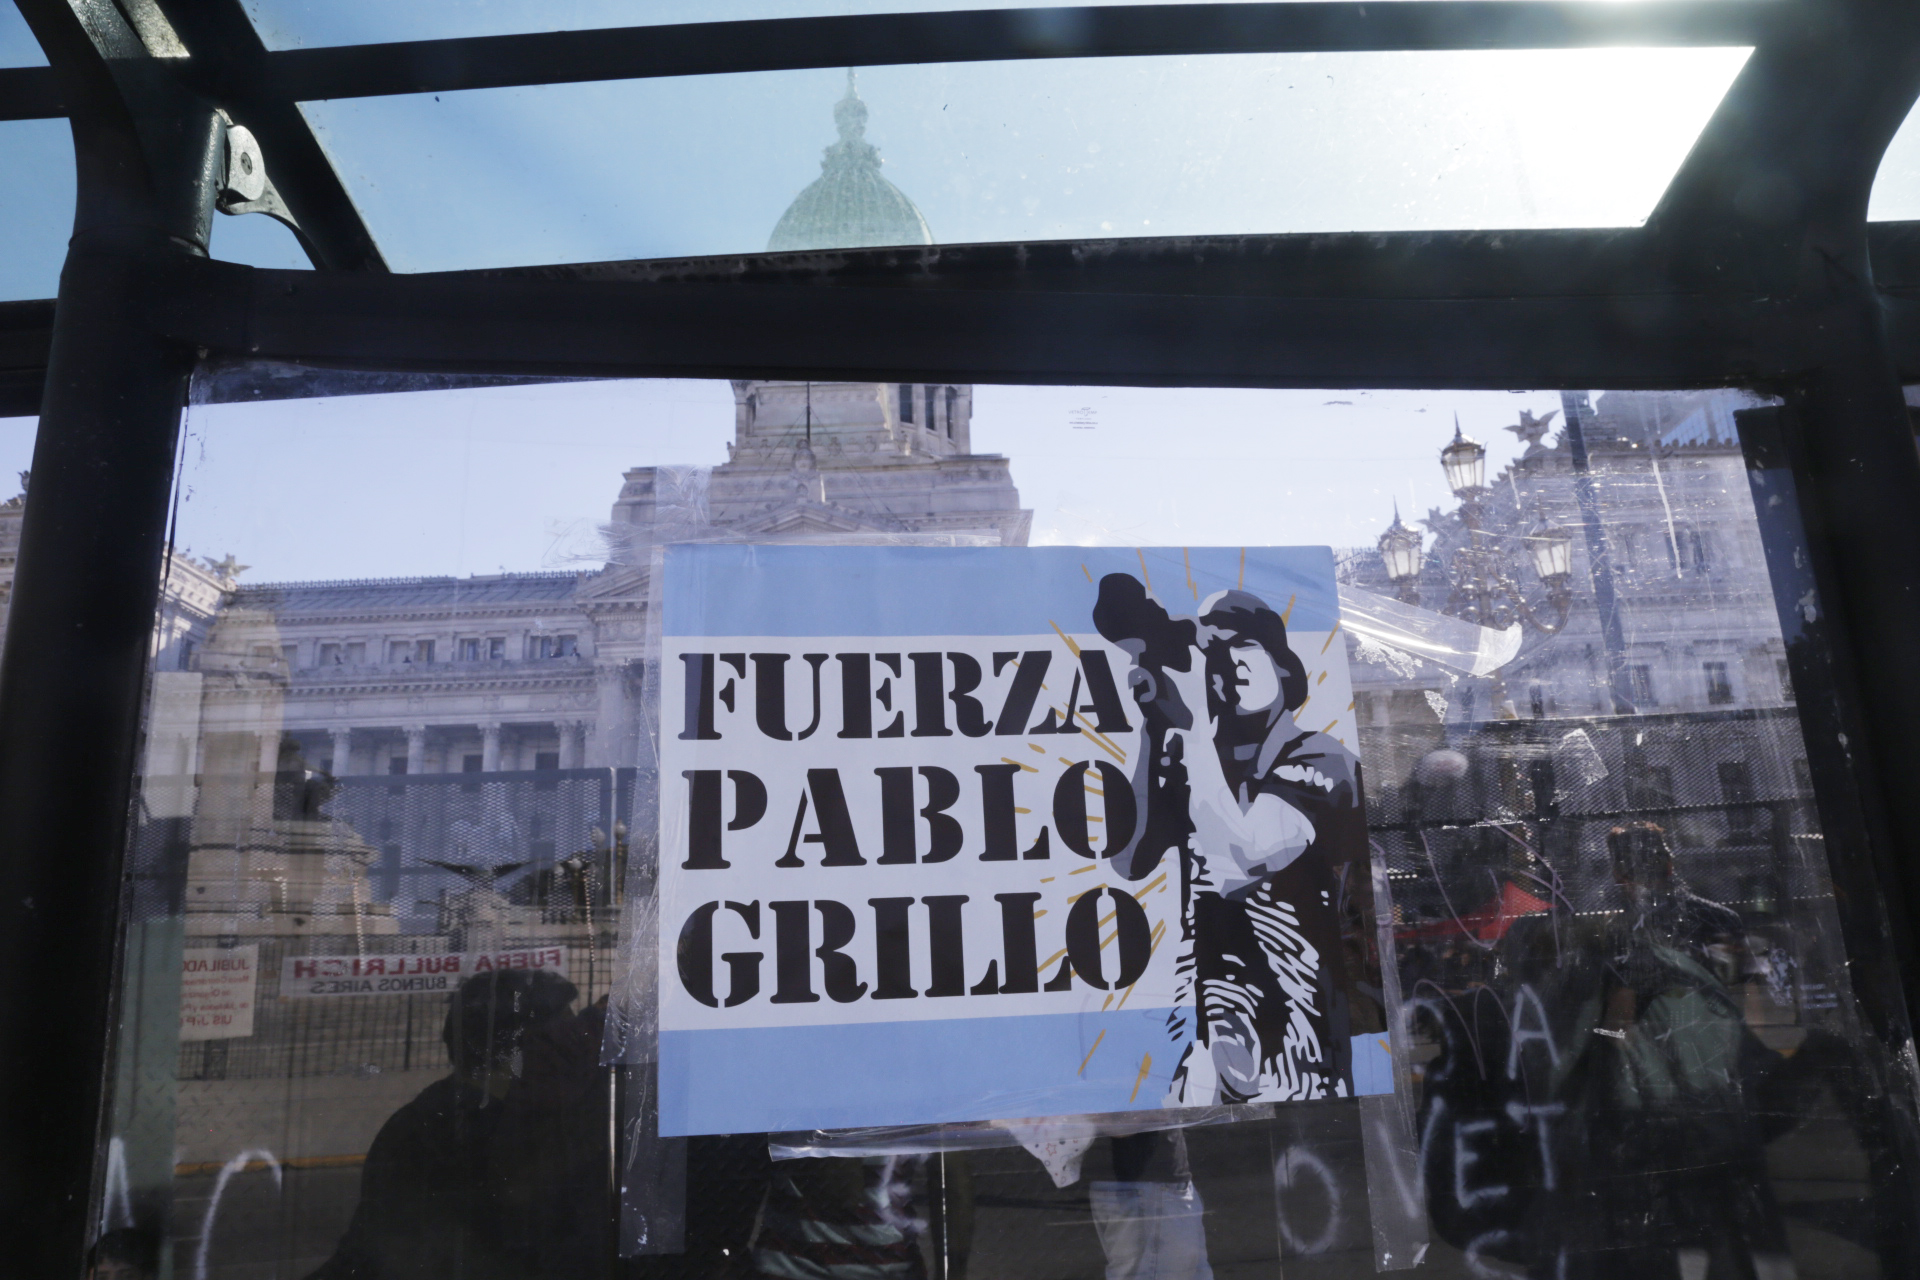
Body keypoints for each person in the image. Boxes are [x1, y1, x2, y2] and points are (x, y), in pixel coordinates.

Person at [1094, 576, 1367, 1105]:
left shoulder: (1321, 759)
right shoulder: (1199, 765)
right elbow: (1129, 859)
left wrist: (1192, 728)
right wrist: (1156, 728)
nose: (1230, 663)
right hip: (1208, 1047)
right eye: (1214, 652)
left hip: (1299, 1051)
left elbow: (1240, 860)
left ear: (1281, 664)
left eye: (1245, 645)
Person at [307, 968, 609, 1280]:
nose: (574, 1048)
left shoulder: (431, 1117)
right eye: (561, 1036)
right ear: (522, 1049)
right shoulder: (476, 1132)